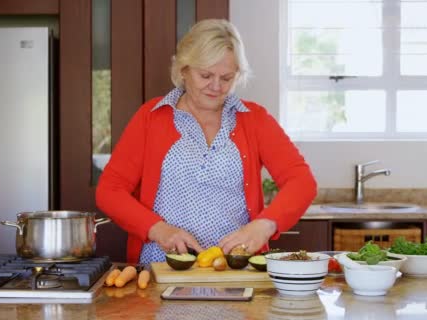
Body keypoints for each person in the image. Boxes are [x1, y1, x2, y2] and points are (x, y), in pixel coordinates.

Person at [96, 19, 317, 264]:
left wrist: (264, 225)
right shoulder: (151, 118)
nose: (215, 86)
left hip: (236, 271)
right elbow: (110, 190)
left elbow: (302, 181)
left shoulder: (255, 120)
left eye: (226, 78)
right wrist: (158, 229)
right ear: (183, 70)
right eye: (205, 75)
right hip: (160, 269)